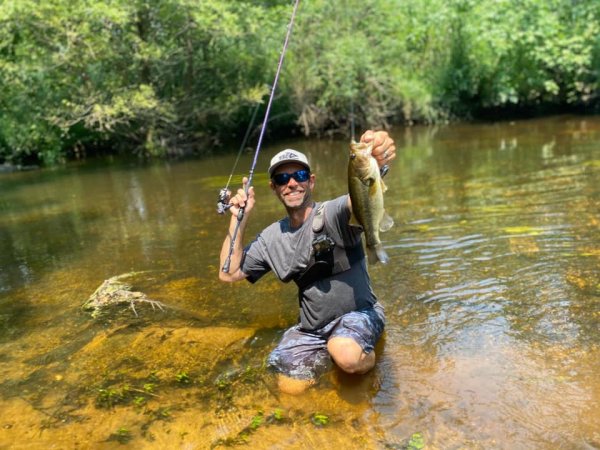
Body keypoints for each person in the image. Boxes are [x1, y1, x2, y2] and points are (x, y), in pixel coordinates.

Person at [219, 130, 396, 394]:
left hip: (359, 313)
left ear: (311, 181)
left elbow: (359, 198)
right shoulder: (271, 238)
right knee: (291, 389)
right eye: (282, 178)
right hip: (312, 330)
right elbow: (229, 273)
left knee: (346, 355)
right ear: (274, 188)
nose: (292, 183)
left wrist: (378, 160)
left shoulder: (334, 213)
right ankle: (329, 352)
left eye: (299, 175)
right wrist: (238, 217)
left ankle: (368, 354)